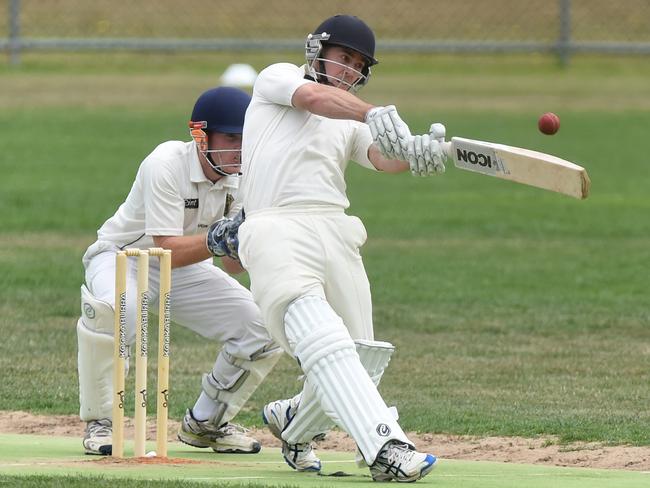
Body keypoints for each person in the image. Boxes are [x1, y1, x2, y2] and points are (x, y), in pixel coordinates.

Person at [215, 14, 447, 483]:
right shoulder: (278, 77)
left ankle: (294, 422)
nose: (348, 71)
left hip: (335, 230)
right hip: (276, 226)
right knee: (323, 338)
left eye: (358, 65)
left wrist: (422, 153)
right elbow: (316, 98)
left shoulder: (353, 115)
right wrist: (370, 112)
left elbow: (382, 158)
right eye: (343, 58)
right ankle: (386, 447)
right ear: (317, 50)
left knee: (364, 356)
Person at [76, 86, 282, 456]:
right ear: (201, 136)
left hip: (185, 265)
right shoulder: (166, 163)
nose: (240, 147)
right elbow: (164, 245)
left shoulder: (243, 180)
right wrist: (220, 238)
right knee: (121, 311)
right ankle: (102, 421)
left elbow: (232, 267)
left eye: (246, 138)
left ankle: (206, 423)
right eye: (231, 137)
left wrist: (250, 238)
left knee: (263, 327)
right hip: (124, 257)